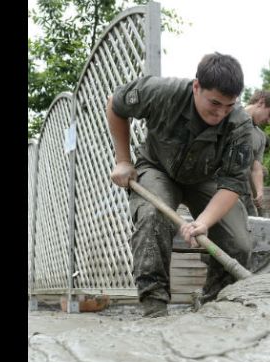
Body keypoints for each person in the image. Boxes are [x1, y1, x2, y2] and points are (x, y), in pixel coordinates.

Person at [107, 52, 254, 317]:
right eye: (215, 103)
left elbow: (232, 183)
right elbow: (115, 105)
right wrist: (122, 160)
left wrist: (204, 222)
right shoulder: (161, 92)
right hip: (156, 167)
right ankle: (154, 307)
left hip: (205, 178)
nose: (221, 113)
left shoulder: (240, 124)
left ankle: (215, 305)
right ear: (197, 87)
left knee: (238, 242)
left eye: (229, 106)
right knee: (152, 217)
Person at [241, 90, 270, 216]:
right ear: (261, 102)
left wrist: (259, 191)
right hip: (218, 186)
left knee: (254, 223)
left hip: (244, 191)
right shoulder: (229, 115)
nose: (269, 121)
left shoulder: (261, 136)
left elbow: (256, 167)